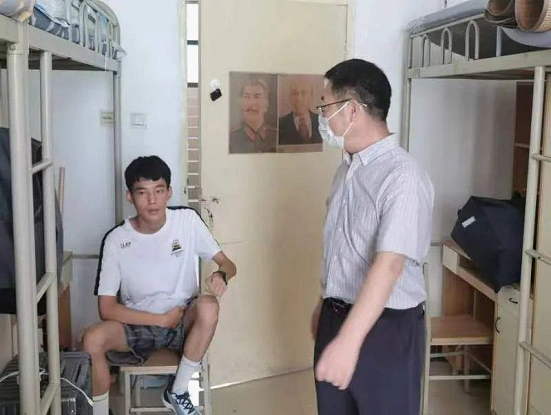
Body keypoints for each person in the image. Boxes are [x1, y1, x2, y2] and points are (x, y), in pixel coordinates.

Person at [311, 59, 434, 415]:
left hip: (387, 329)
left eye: (325, 106)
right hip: (336, 316)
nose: (322, 116)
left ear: (351, 110)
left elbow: (390, 264)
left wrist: (349, 341)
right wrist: (324, 302)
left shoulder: (403, 177)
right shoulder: (345, 171)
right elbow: (342, 246)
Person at [82, 156, 237, 415]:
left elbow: (228, 264)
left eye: (159, 190)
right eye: (142, 192)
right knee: (91, 339)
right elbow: (107, 309)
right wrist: (160, 320)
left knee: (209, 305)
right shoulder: (116, 240)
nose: (152, 200)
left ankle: (177, 391)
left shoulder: (187, 220)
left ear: (169, 192)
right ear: (130, 196)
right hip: (138, 323)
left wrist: (222, 275)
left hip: (182, 319)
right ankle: (99, 412)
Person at [229, 77, 277, 154]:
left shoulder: (277, 137)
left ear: (266, 104)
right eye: (246, 97)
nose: (251, 103)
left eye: (257, 97)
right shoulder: (231, 140)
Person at [278, 75, 322, 145]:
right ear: (290, 96)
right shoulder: (280, 124)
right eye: (294, 93)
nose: (299, 99)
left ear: (311, 96)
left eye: (304, 93)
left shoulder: (321, 122)